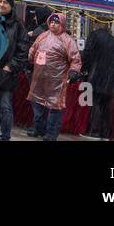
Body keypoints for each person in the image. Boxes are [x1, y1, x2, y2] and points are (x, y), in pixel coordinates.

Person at [27, 12, 81, 141]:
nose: (53, 24)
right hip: (39, 78)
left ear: (61, 24)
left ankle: (51, 134)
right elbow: (32, 50)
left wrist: (74, 71)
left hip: (57, 80)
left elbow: (75, 59)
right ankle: (38, 128)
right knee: (37, 103)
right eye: (51, 21)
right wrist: (30, 60)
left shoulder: (67, 40)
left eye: (56, 22)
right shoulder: (42, 36)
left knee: (55, 107)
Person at [0, 0, 28, 141]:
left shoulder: (18, 26)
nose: (1, 5)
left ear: (11, 6)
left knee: (5, 107)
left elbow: (23, 51)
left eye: (5, 2)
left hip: (7, 74)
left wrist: (10, 67)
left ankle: (5, 136)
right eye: (0, 1)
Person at [82, 18, 114, 139]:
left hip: (96, 75)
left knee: (95, 103)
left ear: (97, 23)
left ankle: (93, 131)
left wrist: (84, 68)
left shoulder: (94, 36)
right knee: (106, 106)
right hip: (110, 79)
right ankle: (105, 133)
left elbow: (87, 54)